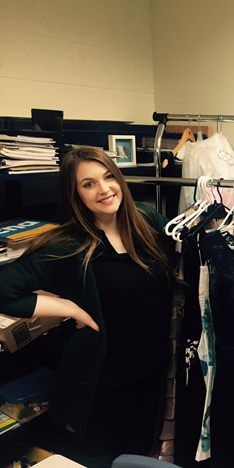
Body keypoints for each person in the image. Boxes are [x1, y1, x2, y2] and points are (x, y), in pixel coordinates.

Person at [0, 147, 176, 467]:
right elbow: (4, 291)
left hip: (150, 375)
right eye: (89, 184)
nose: (105, 189)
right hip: (103, 387)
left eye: (109, 177)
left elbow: (189, 245)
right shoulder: (69, 245)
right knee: (101, 459)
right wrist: (68, 307)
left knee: (137, 457)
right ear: (75, 193)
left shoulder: (145, 220)